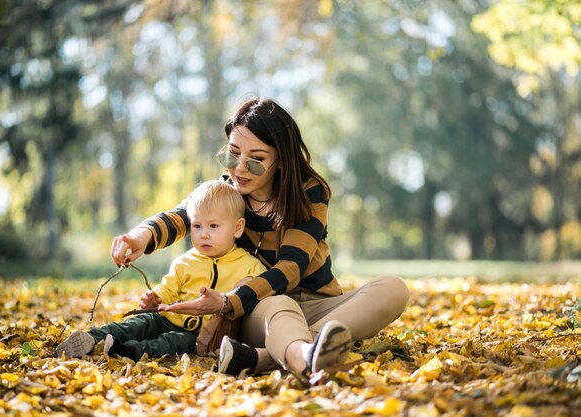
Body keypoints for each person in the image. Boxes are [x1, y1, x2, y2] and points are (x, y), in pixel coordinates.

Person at [110, 97, 410, 375]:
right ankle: (304, 357)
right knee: (281, 304)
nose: (240, 168)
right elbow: (181, 216)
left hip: (318, 304)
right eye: (232, 154)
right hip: (258, 308)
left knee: (394, 288)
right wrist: (140, 236)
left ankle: (269, 357)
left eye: (255, 160)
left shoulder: (308, 192)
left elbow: (291, 269)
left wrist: (228, 300)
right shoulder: (226, 191)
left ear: (281, 159)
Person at [57, 180, 266, 361]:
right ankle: (92, 338)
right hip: (166, 317)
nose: (204, 234)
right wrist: (156, 297)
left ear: (237, 228)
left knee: (172, 343)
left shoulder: (249, 265)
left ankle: (127, 351)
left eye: (213, 226)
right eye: (197, 226)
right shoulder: (185, 261)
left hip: (197, 333)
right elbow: (169, 288)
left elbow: (251, 297)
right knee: (138, 324)